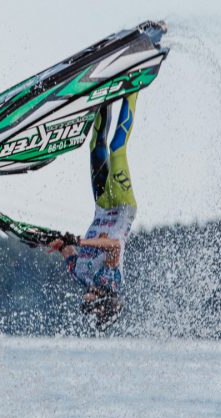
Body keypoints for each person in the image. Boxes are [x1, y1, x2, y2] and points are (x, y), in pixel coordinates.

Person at [47, 93, 139, 328]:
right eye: (92, 307)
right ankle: (134, 85)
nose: (86, 304)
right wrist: (81, 240)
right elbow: (114, 247)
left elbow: (66, 249)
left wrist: (57, 243)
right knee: (117, 148)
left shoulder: (80, 276)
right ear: (104, 300)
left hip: (101, 205)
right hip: (121, 207)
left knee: (96, 145)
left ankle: (106, 92)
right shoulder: (110, 282)